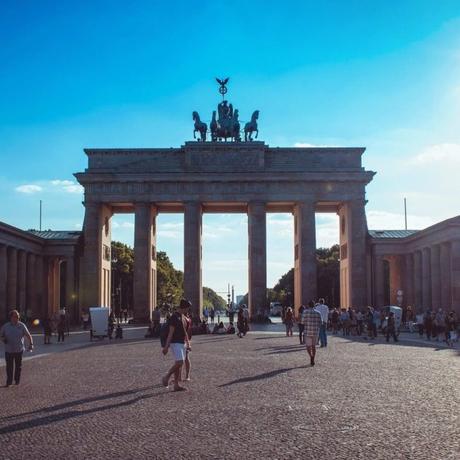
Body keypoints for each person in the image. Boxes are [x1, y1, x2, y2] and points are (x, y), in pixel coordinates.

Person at [162, 299, 192, 391]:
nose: (188, 310)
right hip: (175, 342)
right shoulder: (174, 317)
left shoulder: (182, 316)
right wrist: (166, 347)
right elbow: (170, 333)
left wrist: (188, 343)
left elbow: (185, 332)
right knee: (180, 362)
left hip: (181, 343)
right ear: (184, 307)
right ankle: (166, 376)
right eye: (188, 308)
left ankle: (176, 385)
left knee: (178, 364)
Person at [0, 310, 34, 387]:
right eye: (16, 316)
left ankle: (17, 380)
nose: (17, 318)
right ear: (11, 317)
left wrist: (31, 344)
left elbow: (29, 335)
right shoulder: (5, 326)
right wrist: (3, 339)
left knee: (18, 366)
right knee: (9, 367)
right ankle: (9, 382)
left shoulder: (22, 325)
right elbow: (1, 336)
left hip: (19, 349)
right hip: (9, 350)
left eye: (18, 317)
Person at [301, 301, 322, 366]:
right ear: (314, 305)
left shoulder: (305, 312)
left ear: (308, 305)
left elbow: (302, 322)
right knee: (313, 346)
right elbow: (321, 322)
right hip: (315, 332)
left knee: (308, 346)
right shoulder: (318, 313)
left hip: (307, 331)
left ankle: (311, 356)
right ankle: (313, 358)